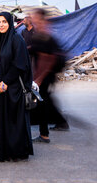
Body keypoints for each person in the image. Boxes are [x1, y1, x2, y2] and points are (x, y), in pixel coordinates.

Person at [0, 12, 33, 162]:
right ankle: (4, 151)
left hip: (13, 88)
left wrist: (6, 82)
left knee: (14, 121)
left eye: (4, 22)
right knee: (2, 120)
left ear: (10, 23)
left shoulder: (17, 39)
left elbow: (19, 64)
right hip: (1, 88)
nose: (1, 24)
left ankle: (17, 152)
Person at [27, 8, 69, 143]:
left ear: (41, 19)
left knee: (42, 102)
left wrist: (39, 78)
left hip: (46, 75)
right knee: (45, 101)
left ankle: (44, 134)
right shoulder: (38, 34)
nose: (33, 20)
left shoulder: (45, 36)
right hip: (42, 75)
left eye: (35, 18)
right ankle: (59, 122)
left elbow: (48, 60)